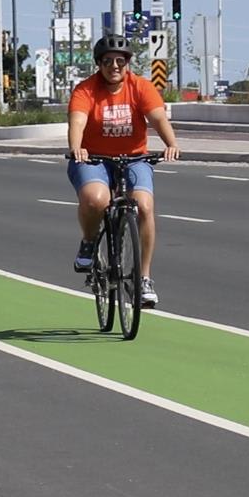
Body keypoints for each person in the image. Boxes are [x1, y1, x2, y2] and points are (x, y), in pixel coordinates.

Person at [67, 34, 180, 307]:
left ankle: (144, 279)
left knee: (143, 206)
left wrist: (171, 144)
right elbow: (77, 123)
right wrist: (76, 148)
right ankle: (89, 242)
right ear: (98, 64)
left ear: (128, 63)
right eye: (107, 61)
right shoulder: (85, 90)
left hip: (134, 158)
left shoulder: (140, 86)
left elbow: (157, 118)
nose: (114, 66)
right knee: (96, 199)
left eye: (120, 61)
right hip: (93, 158)